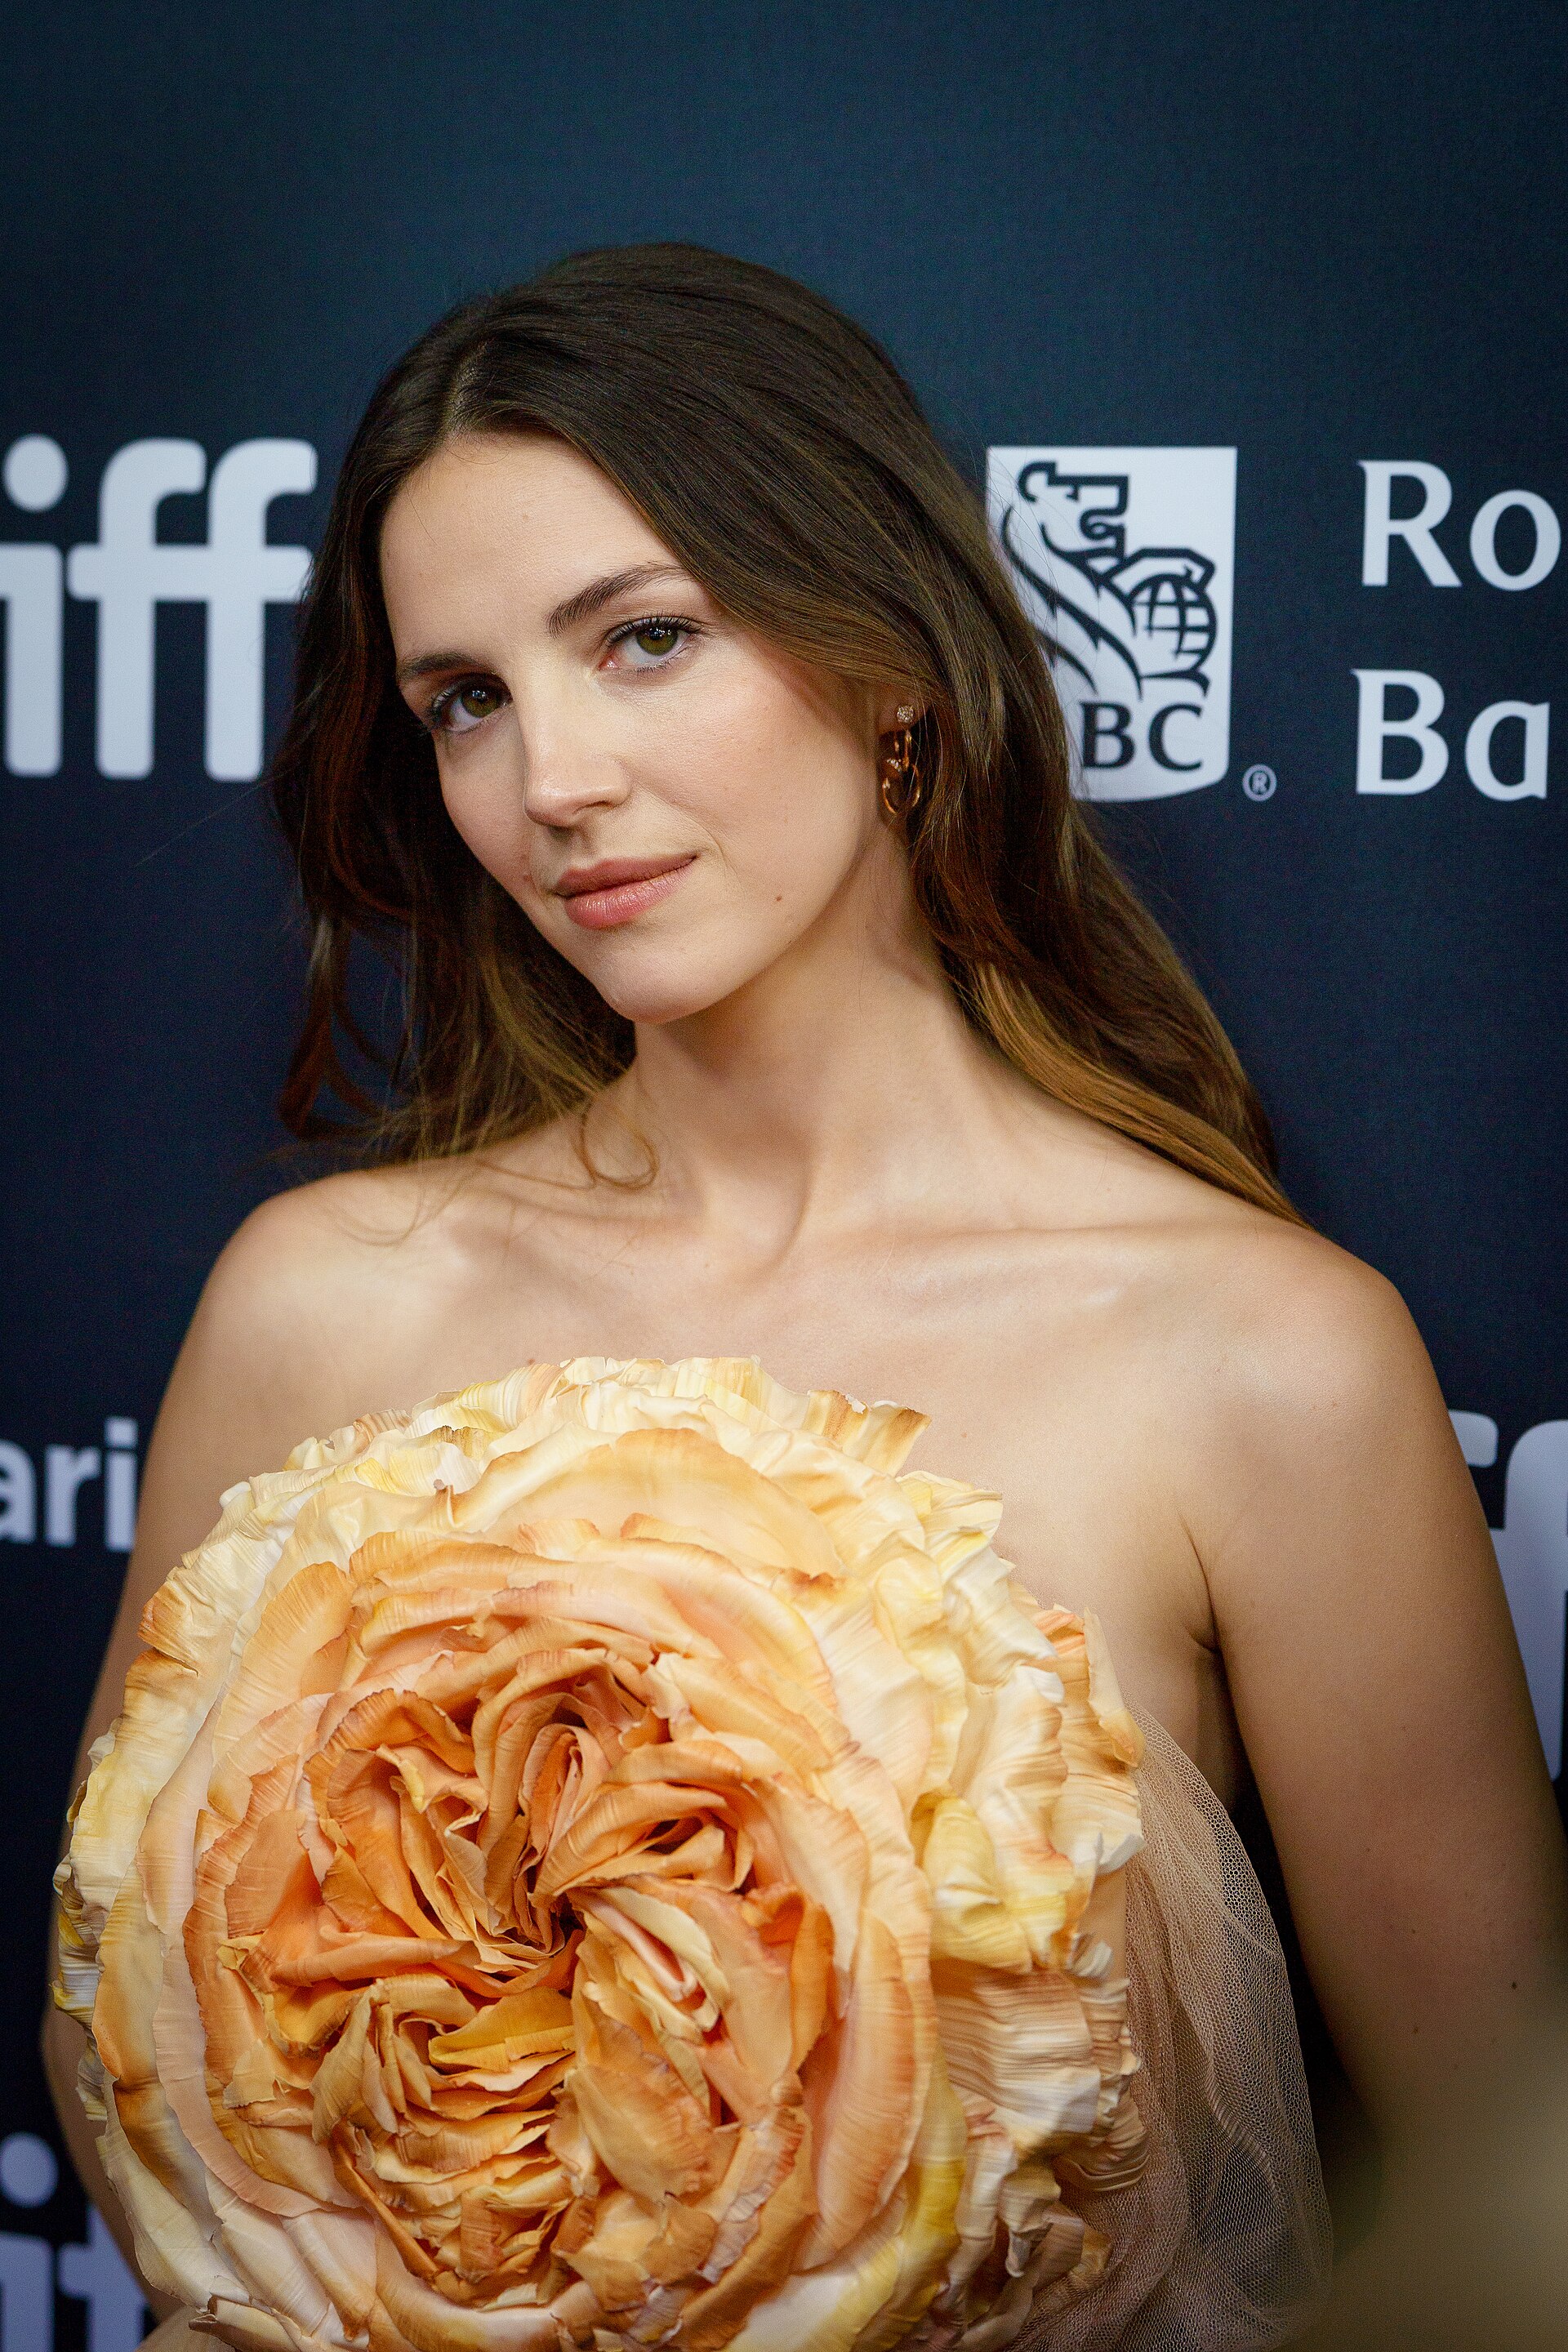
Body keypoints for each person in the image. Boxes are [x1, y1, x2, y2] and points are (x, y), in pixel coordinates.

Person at [46, 245, 1567, 2347]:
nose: (551, 781)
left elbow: (1514, 2199)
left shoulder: (1260, 1362)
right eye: (465, 699)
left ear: (893, 661)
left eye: (644, 640)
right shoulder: (321, 1309)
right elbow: (133, 2035)